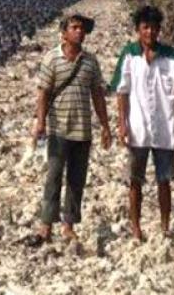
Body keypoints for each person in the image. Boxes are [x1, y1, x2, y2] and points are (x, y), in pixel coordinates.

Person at [109, 5, 174, 240]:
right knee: (135, 180)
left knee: (164, 181)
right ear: (138, 30)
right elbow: (122, 91)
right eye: (145, 28)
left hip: (163, 129)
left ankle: (164, 225)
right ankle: (136, 226)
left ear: (159, 30)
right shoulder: (129, 55)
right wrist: (122, 124)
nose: (149, 32)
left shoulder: (171, 56)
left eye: (154, 28)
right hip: (138, 128)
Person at [29, 13, 112, 245]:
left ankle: (68, 225)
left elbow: (97, 94)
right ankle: (46, 225)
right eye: (74, 28)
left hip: (83, 131)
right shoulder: (52, 59)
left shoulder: (90, 62)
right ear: (64, 33)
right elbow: (43, 92)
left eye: (82, 28)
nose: (79, 32)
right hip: (58, 129)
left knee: (77, 180)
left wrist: (105, 126)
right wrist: (41, 123)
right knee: (53, 177)